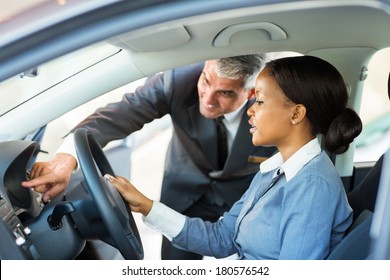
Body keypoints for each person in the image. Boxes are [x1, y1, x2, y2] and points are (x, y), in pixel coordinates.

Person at [105, 55, 363, 259]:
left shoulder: (313, 186)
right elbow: (223, 238)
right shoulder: (274, 172)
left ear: (296, 114)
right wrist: (145, 206)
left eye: (260, 102)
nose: (250, 111)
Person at [21, 54, 277, 260]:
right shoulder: (179, 80)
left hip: (241, 202)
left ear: (251, 93)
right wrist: (66, 158)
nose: (208, 100)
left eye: (226, 93)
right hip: (184, 194)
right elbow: (120, 114)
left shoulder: (277, 110)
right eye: (206, 80)